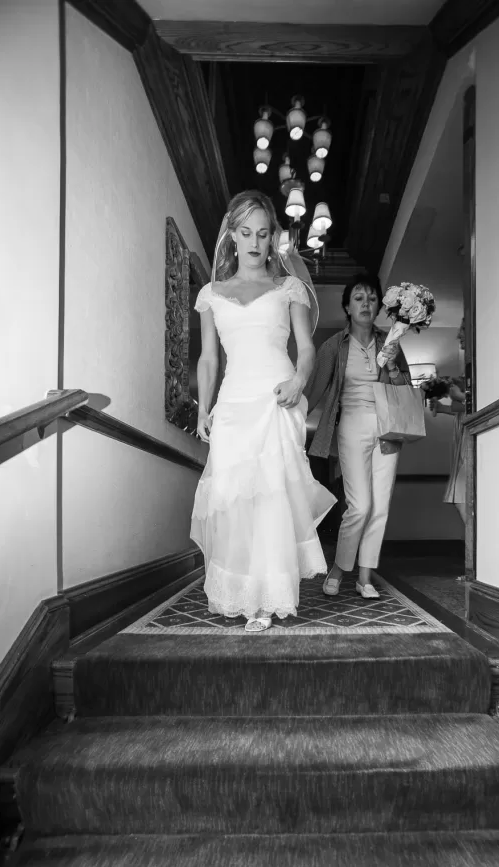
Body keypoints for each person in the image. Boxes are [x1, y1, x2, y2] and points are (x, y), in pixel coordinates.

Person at [190, 191, 335, 633]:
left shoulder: (288, 289)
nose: (255, 241)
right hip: (233, 405)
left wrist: (298, 383)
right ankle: (242, 591)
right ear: (232, 236)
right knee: (235, 500)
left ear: (274, 238)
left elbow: (306, 350)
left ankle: (267, 600)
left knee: (271, 499)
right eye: (246, 232)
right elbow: (209, 358)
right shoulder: (210, 295)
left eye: (263, 233)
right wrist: (203, 408)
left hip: (277, 398)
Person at [304, 273, 413, 599]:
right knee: (360, 505)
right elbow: (314, 392)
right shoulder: (334, 346)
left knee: (380, 506)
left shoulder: (391, 341)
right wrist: (288, 422)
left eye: (371, 298)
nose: (366, 303)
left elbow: (406, 391)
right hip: (351, 426)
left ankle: (365, 577)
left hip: (388, 428)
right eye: (358, 298)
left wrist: (393, 366)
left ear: (380, 305)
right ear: (348, 307)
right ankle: (339, 568)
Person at [430, 380, 467, 525]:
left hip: (475, 445)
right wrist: (442, 408)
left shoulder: (485, 376)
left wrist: (461, 396)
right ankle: (478, 543)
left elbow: (482, 404)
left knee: (462, 499)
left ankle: (479, 543)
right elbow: (465, 410)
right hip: (464, 445)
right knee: (462, 500)